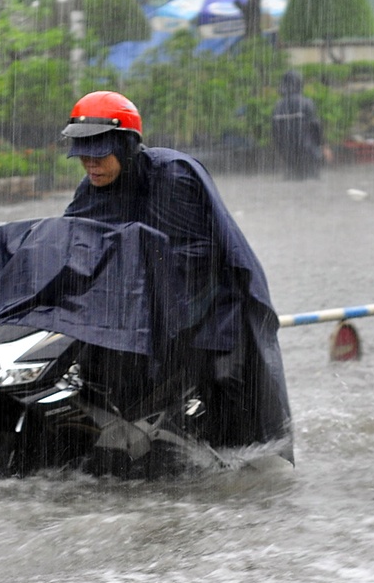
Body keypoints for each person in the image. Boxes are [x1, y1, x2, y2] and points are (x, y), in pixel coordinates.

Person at [60, 90, 293, 459]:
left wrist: (130, 278)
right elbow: (67, 245)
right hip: (144, 310)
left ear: (125, 147)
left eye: (99, 154)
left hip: (214, 305)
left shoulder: (172, 175)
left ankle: (240, 466)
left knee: (229, 389)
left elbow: (194, 258)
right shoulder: (91, 189)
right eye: (83, 156)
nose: (90, 164)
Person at [271, 70, 324, 181]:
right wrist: (321, 145)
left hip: (287, 153)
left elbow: (275, 131)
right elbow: (316, 127)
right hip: (307, 152)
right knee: (310, 180)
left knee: (292, 180)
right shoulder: (306, 103)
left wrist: (281, 149)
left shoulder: (277, 106)